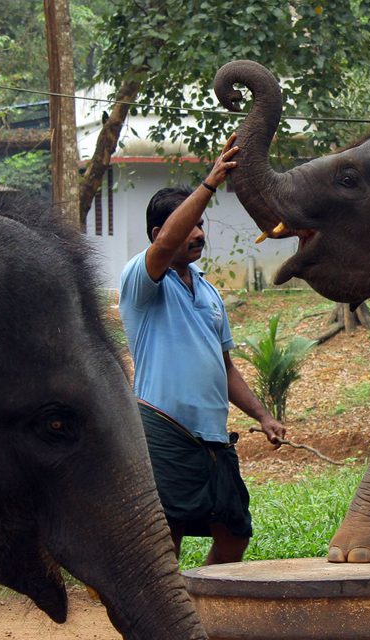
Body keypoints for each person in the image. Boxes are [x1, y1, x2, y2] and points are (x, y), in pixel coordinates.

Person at [119, 133, 286, 565]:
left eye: (200, 226)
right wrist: (209, 184)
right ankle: (170, 625)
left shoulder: (209, 292)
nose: (197, 233)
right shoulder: (142, 279)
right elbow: (162, 248)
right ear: (161, 233)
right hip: (164, 428)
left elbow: (225, 367)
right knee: (166, 538)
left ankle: (195, 613)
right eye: (187, 226)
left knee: (234, 533)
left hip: (213, 436)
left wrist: (264, 416)